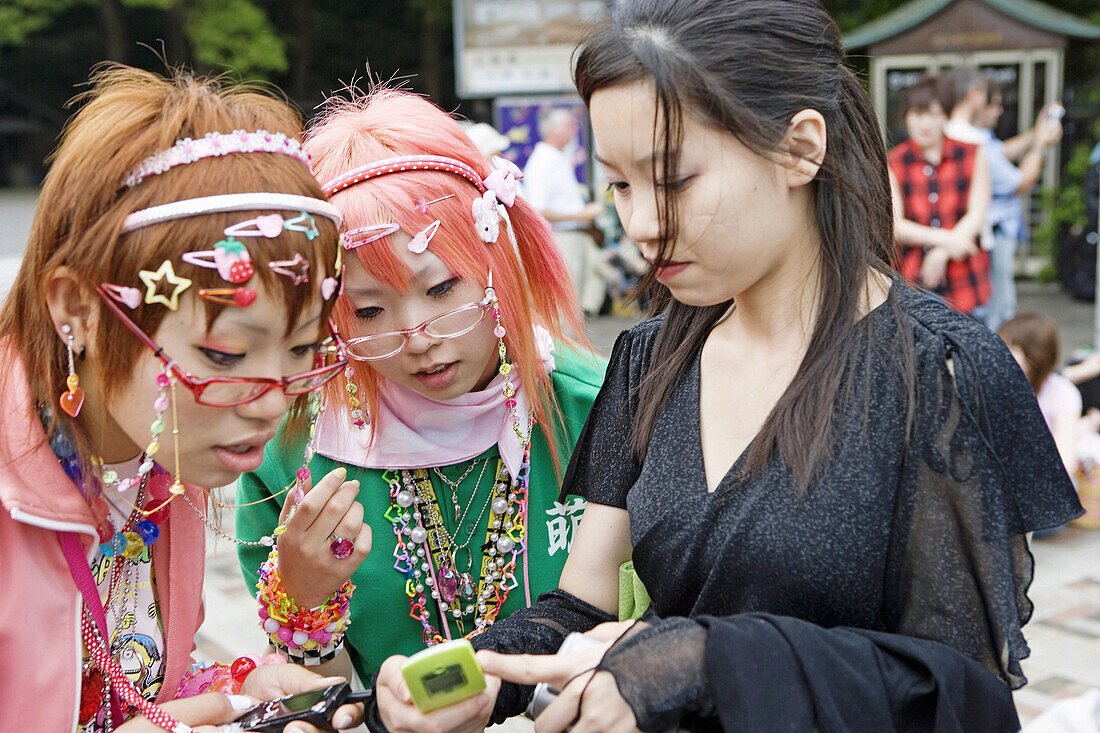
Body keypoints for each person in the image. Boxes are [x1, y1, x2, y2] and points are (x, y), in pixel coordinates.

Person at [353, 1, 1080, 731]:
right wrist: (473, 674)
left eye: (671, 181)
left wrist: (706, 661)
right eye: (619, 185)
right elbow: (580, 607)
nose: (640, 224)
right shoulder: (648, 361)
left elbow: (961, 693)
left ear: (800, 148)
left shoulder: (936, 372)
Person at [0, 65, 357, 732]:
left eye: (304, 351)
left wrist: (245, 687)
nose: (272, 404)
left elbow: (130, 685)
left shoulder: (158, 454)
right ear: (77, 307)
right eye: (225, 355)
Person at [234, 88, 605, 693]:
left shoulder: (594, 407)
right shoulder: (291, 453)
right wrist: (303, 600)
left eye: (441, 291)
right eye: (368, 309)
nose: (417, 340)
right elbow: (319, 706)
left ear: (499, 258)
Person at [943, 68, 1063, 330]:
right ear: (974, 95)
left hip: (967, 234)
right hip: (985, 233)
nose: (993, 107)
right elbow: (1018, 182)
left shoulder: (958, 134)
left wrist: (1036, 132)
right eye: (988, 98)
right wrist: (1040, 145)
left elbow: (1000, 152)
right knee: (995, 314)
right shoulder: (972, 141)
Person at [888, 74, 992, 318]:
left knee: (969, 349)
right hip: (912, 277)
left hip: (964, 274)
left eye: (934, 114)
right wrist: (946, 239)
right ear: (906, 117)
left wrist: (941, 252)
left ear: (946, 114)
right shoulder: (893, 161)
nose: (925, 123)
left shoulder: (972, 154)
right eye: (917, 114)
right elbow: (895, 225)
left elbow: (977, 214)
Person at [523, 107, 617, 315]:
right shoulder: (543, 160)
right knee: (566, 309)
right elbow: (538, 209)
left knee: (575, 305)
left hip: (574, 236)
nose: (575, 130)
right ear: (553, 130)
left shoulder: (556, 157)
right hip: (561, 238)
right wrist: (582, 215)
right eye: (569, 125)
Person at [999, 312, 1084, 478]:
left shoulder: (1062, 393)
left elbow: (1065, 463)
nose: (1000, 354)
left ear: (1035, 355)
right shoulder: (994, 387)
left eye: (1012, 349)